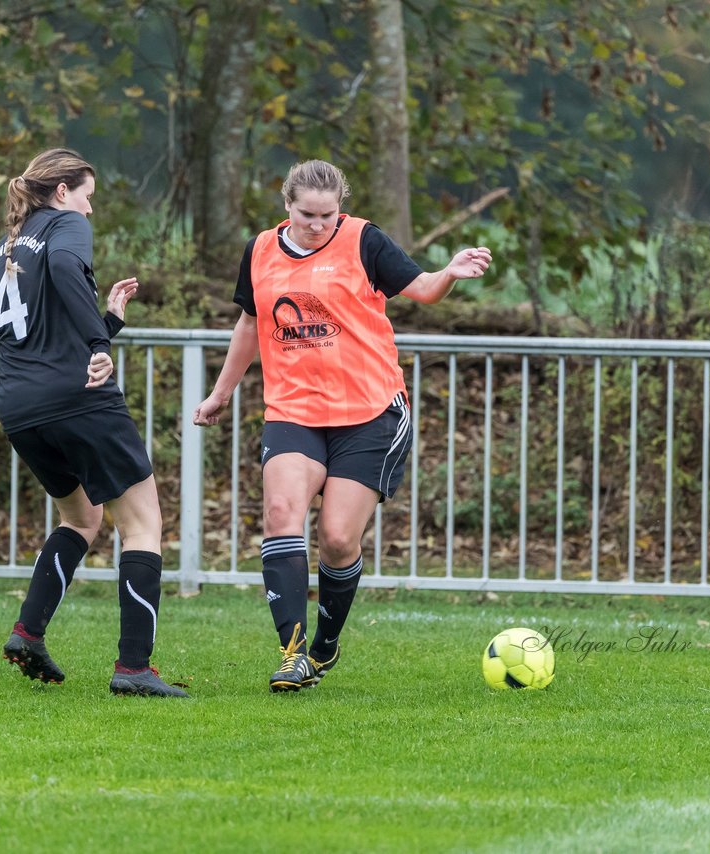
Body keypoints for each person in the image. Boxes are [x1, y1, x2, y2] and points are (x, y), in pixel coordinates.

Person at [193, 159, 492, 692]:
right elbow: (250, 321)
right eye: (308, 214)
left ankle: (325, 644)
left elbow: (421, 288)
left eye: (328, 215)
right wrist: (221, 392)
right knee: (282, 512)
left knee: (335, 539)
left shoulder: (363, 240)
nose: (318, 225)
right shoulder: (261, 250)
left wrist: (449, 273)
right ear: (287, 205)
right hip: (294, 409)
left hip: (370, 412)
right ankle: (292, 653)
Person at [0, 148, 187, 698]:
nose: (89, 211)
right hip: (79, 399)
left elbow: (39, 335)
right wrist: (100, 343)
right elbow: (65, 270)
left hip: (21, 406)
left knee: (81, 518)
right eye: (87, 197)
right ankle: (134, 669)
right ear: (62, 193)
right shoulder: (64, 226)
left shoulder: (7, 245)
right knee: (143, 523)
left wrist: (109, 323)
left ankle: (28, 633)